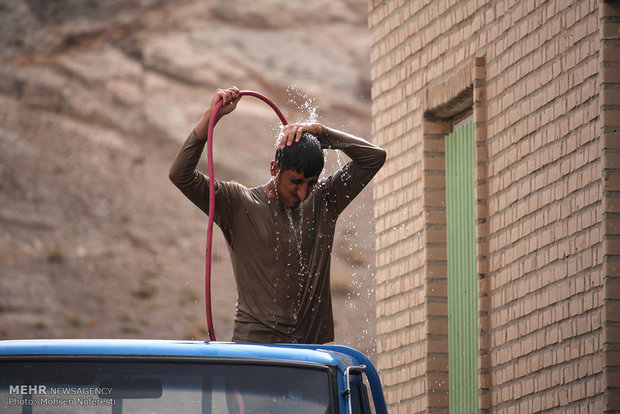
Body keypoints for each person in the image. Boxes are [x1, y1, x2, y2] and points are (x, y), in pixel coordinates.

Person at [169, 87, 386, 344]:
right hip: (255, 350)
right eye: (296, 181)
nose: (303, 192)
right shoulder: (238, 203)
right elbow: (180, 175)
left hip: (310, 355)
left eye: (311, 183)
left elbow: (374, 158)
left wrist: (322, 134)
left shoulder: (325, 201)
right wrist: (209, 121)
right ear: (274, 168)